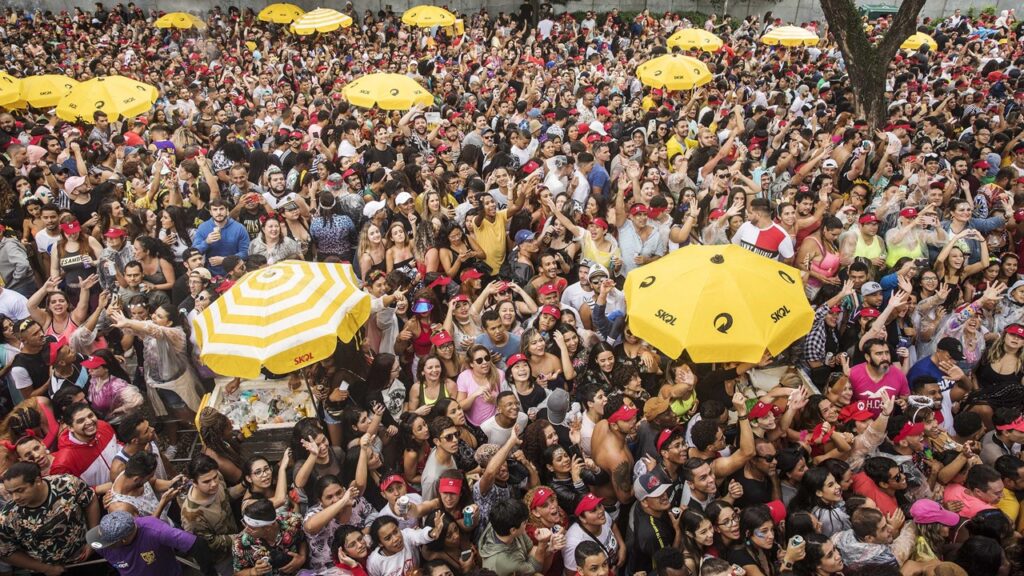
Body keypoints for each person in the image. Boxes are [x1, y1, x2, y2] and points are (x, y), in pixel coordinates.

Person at [0, 462, 101, 575]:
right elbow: (6, 552)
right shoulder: (8, 517)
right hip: (50, 572)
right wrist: (44, 568)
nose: (15, 498)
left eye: (20, 490)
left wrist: (93, 539)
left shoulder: (67, 484)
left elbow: (90, 500)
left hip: (88, 559)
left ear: (37, 481)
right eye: (10, 492)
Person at [87, 510, 218, 576]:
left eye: (108, 543)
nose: (102, 544)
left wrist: (209, 572)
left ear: (124, 540)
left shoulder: (155, 531)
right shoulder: (101, 541)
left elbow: (197, 544)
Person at [479, 498, 563, 576]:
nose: (527, 525)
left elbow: (530, 549)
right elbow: (535, 567)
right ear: (513, 530)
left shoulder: (502, 522)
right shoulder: (505, 562)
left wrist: (549, 548)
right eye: (525, 523)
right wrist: (542, 543)